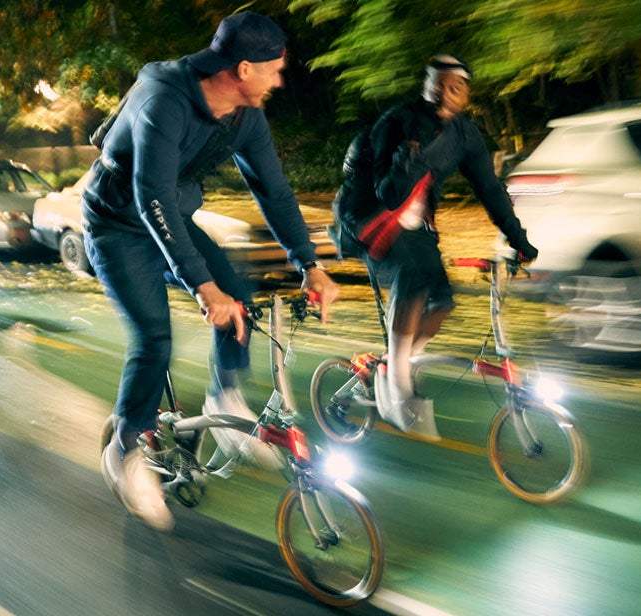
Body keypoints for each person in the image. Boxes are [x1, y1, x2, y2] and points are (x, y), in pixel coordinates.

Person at [82, 11, 339, 530]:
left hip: (169, 218)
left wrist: (310, 265)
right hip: (117, 225)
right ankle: (126, 450)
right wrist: (202, 285)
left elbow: (274, 191)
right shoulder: (164, 102)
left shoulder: (245, 116)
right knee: (154, 339)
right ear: (244, 69)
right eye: (274, 69)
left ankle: (227, 398)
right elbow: (149, 194)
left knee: (239, 299)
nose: (280, 80)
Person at [356, 55, 538, 441]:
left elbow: (490, 190)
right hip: (372, 221)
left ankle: (393, 361)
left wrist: (518, 239)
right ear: (426, 85)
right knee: (413, 279)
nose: (444, 92)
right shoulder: (396, 122)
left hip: (418, 224)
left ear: (466, 96)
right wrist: (403, 166)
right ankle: (400, 381)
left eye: (455, 87)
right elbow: (384, 194)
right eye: (437, 83)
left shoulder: (465, 136)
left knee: (442, 302)